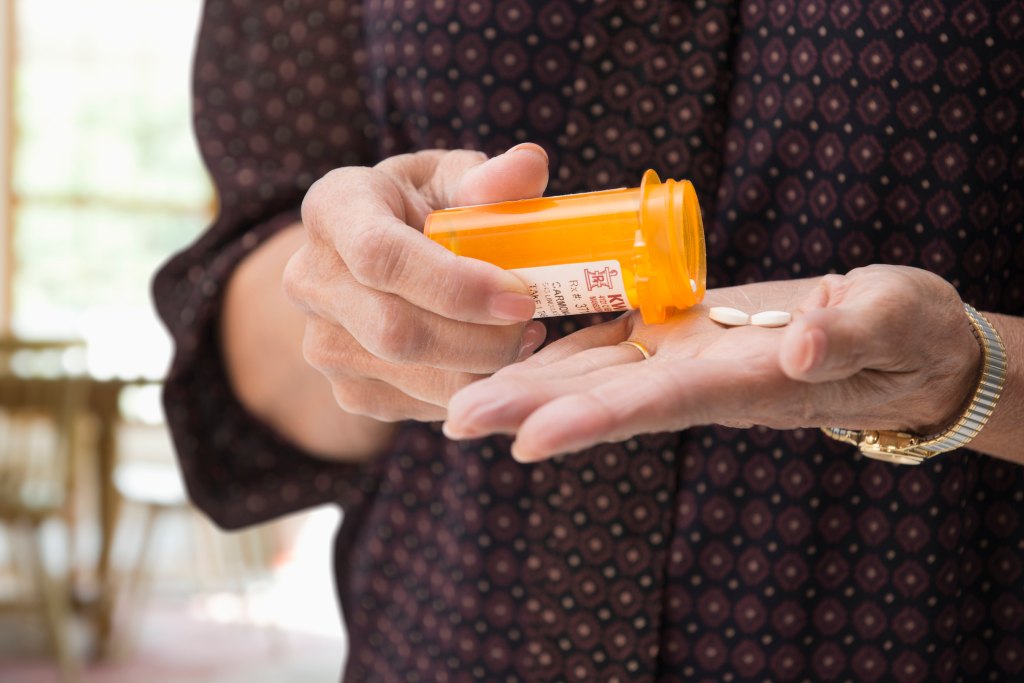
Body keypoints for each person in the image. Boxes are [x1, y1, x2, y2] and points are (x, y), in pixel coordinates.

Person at [153, 0, 1024, 680]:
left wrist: (970, 373)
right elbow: (255, 302)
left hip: (917, 628)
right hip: (450, 637)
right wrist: (369, 299)